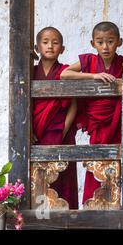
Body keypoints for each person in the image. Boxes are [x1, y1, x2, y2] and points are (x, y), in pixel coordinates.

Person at [61, 21, 123, 203]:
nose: (105, 47)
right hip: (97, 123)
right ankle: (93, 201)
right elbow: (64, 74)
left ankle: (119, 201)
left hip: (118, 121)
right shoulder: (88, 60)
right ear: (93, 44)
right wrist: (93, 76)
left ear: (119, 42)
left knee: (119, 160)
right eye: (100, 42)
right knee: (96, 159)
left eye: (110, 41)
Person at [32, 27, 78, 209]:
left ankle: (66, 219)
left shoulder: (66, 71)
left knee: (63, 179)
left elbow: (73, 104)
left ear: (63, 48)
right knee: (38, 178)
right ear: (37, 48)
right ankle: (38, 218)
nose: (50, 46)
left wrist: (63, 131)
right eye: (45, 42)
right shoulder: (30, 72)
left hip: (61, 133)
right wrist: (28, 131)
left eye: (55, 42)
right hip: (36, 134)